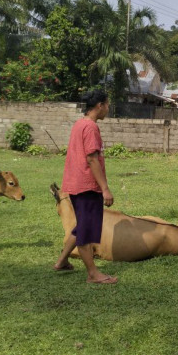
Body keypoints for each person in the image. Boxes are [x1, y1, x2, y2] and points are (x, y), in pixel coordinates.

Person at [53, 90, 118, 284]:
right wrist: (105, 188)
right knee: (86, 231)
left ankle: (62, 261)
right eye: (107, 105)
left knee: (82, 225)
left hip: (76, 183)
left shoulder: (80, 124)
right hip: (87, 186)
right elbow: (92, 159)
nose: (108, 109)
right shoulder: (90, 127)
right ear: (100, 105)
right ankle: (93, 274)